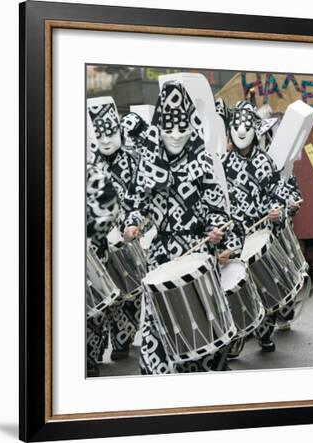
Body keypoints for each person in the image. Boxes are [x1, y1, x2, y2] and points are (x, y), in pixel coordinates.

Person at [127, 82, 238, 373]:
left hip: (198, 252)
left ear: (191, 125)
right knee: (157, 323)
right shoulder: (148, 165)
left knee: (204, 320)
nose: (176, 135)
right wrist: (133, 224)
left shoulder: (204, 162)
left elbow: (217, 209)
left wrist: (216, 231)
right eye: (169, 128)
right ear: (158, 129)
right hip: (162, 256)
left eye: (181, 127)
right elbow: (137, 206)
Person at [221, 100, 286, 353]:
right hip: (236, 235)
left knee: (263, 283)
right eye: (236, 126)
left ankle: (265, 332)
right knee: (236, 286)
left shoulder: (266, 161)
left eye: (246, 126)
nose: (240, 131)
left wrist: (276, 211)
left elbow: (277, 193)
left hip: (260, 230)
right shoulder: (223, 165)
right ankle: (237, 333)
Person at [87, 96, 144, 361]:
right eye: (100, 136)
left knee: (128, 297)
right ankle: (92, 353)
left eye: (111, 133)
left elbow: (140, 197)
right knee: (96, 301)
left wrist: (132, 223)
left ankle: (122, 340)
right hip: (97, 244)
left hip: (126, 239)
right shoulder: (88, 164)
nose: (106, 140)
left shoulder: (133, 162)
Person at [86, 159, 120, 377]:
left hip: (91, 251)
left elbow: (109, 210)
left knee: (93, 313)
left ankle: (88, 358)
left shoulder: (93, 174)